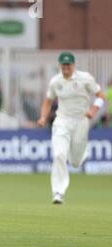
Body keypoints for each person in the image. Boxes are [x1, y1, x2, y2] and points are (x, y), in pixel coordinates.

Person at [37, 52, 106, 204]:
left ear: (74, 65)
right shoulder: (56, 81)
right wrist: (43, 117)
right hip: (61, 120)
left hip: (81, 121)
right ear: (60, 65)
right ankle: (58, 192)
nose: (66, 68)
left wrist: (93, 110)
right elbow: (48, 101)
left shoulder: (85, 78)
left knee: (75, 162)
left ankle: (82, 153)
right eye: (63, 65)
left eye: (68, 65)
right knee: (59, 155)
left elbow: (101, 95)